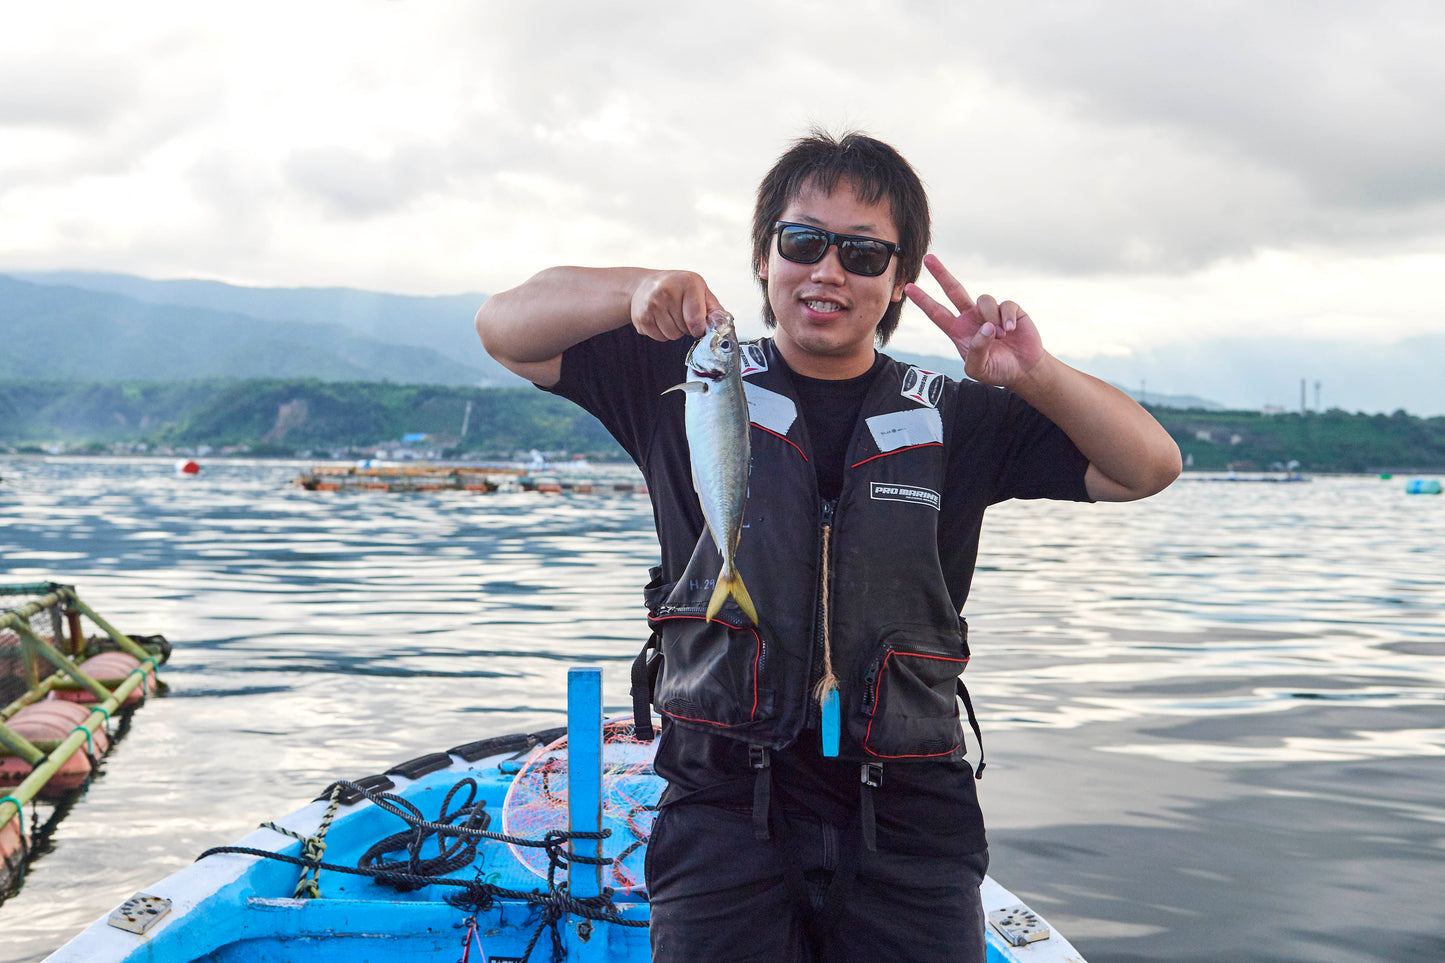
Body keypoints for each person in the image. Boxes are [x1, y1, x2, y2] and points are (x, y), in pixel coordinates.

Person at [475, 130, 1181, 963]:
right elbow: (503, 328)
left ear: (899, 281)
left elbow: (1147, 466)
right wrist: (634, 286)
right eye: (803, 242)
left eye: (863, 253)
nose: (828, 271)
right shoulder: (687, 380)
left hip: (910, 811)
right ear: (764, 257)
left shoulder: (957, 415)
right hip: (721, 802)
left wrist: (1033, 375)